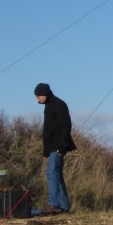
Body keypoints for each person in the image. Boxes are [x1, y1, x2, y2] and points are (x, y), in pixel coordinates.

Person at [34, 82, 76, 214]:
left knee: (51, 173)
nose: (37, 98)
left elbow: (66, 126)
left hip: (58, 147)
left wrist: (61, 146)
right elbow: (48, 131)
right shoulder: (48, 106)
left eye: (38, 96)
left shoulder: (58, 104)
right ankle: (64, 207)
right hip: (52, 147)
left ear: (44, 94)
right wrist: (46, 151)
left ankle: (54, 204)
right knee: (57, 174)